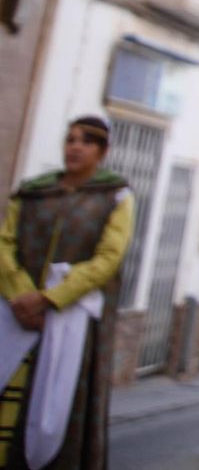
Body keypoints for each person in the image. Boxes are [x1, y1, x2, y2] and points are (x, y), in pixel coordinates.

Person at [0, 114, 133, 470]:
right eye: (71, 139)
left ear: (102, 151)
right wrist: (22, 295)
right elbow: (4, 244)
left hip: (70, 318)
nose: (75, 147)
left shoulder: (115, 197)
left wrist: (50, 298)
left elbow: (108, 258)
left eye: (86, 142)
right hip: (15, 313)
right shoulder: (32, 192)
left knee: (57, 407)